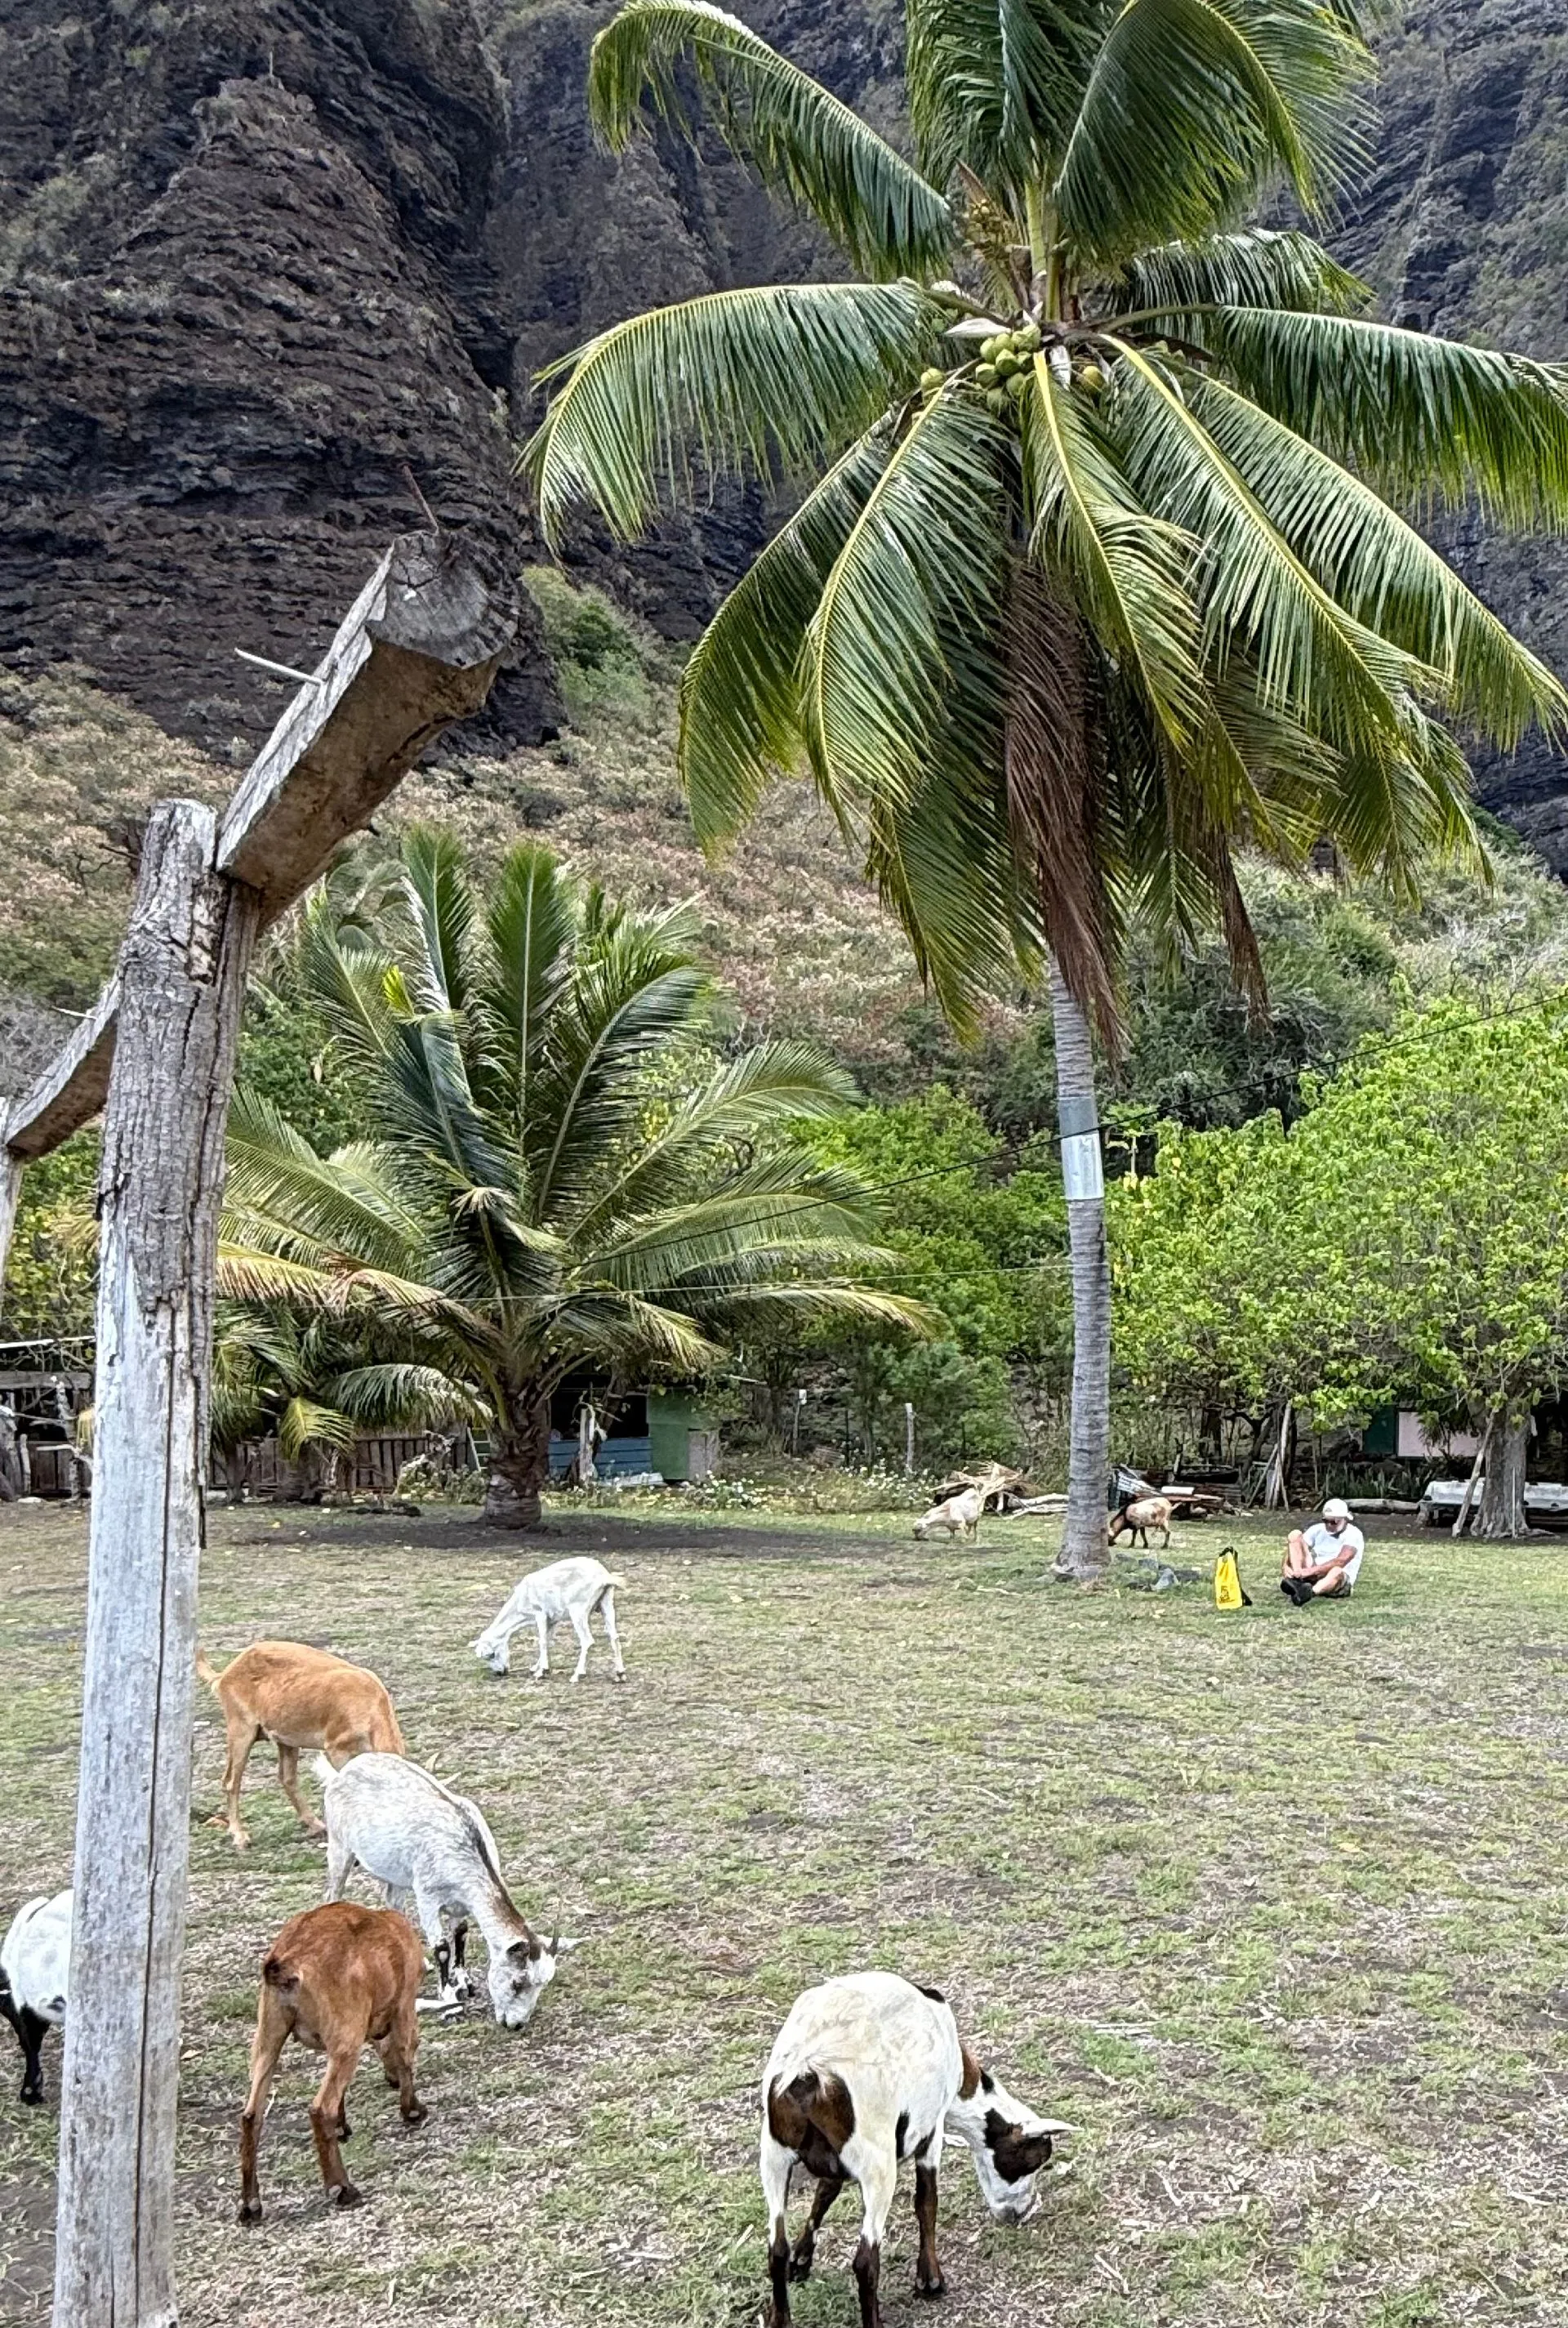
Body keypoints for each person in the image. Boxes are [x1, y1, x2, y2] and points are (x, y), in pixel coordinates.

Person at [1280, 1497, 1365, 1605]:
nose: (1329, 1525)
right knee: (1295, 1535)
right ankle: (1296, 1579)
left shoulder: (1353, 1534)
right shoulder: (1318, 1529)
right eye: (1326, 1521)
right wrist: (1286, 1566)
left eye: (1334, 1522)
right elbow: (1296, 1548)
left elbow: (1342, 1560)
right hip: (1314, 1573)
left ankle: (1310, 1592)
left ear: (1344, 1519)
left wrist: (1310, 1571)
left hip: (1338, 1578)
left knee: (1336, 1570)